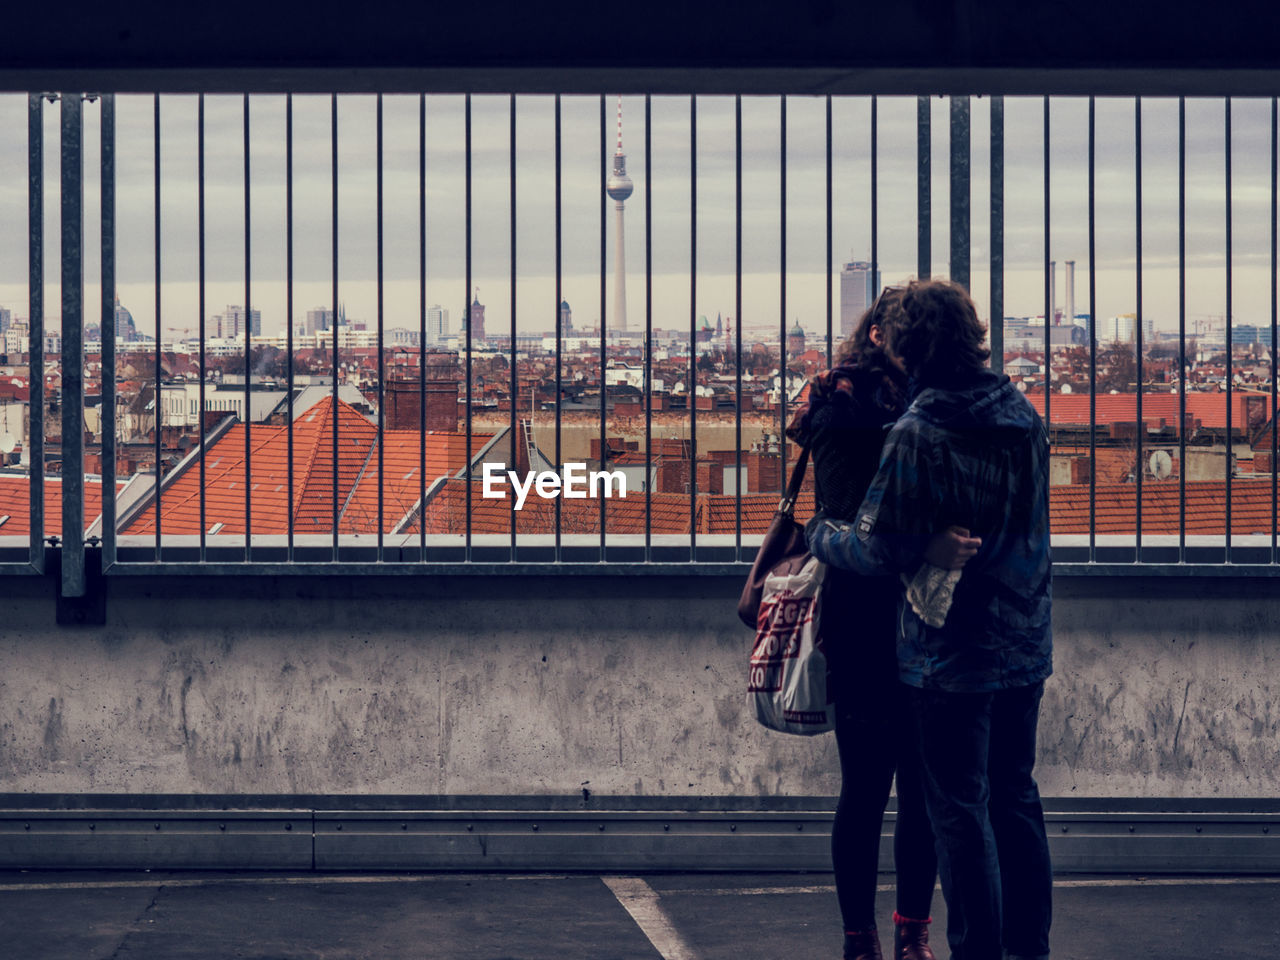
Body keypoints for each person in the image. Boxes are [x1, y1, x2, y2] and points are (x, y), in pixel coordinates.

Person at [804, 278, 1053, 960]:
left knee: (960, 817)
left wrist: (817, 535)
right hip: (1025, 642)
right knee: (1017, 804)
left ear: (906, 348)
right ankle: (1029, 950)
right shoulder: (1024, 415)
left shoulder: (920, 430)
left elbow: (876, 544)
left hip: (949, 656)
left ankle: (977, 950)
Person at [787, 288, 975, 960]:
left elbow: (834, 508)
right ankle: (911, 936)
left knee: (862, 788)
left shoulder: (828, 396)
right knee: (920, 790)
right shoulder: (930, 407)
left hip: (854, 602)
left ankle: (859, 940)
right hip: (921, 599)